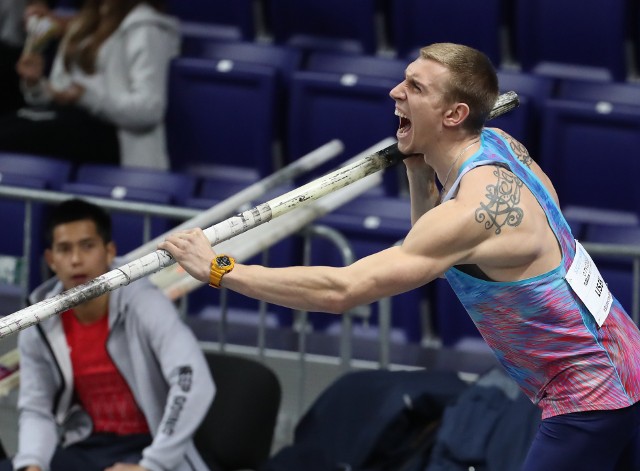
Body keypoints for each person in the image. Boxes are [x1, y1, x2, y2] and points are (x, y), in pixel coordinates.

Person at [160, 43, 640, 470]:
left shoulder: (470, 212)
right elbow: (440, 247)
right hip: (628, 363)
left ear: (452, 114)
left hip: (589, 399)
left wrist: (221, 270)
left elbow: (342, 291)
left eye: (414, 86)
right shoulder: (504, 147)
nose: (395, 92)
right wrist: (419, 174)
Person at [0, 198, 215, 471]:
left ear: (109, 251)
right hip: (86, 445)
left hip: (150, 445)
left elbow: (192, 379)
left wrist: (152, 465)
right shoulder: (40, 319)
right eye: (65, 249)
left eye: (87, 246)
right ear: (51, 260)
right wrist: (32, 463)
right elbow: (36, 408)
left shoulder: (143, 302)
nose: (76, 260)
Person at [0, 0, 179, 169]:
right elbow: (59, 93)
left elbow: (149, 110)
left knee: (18, 136)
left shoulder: (147, 29)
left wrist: (86, 96)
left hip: (116, 138)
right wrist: (36, 83)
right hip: (70, 122)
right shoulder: (81, 24)